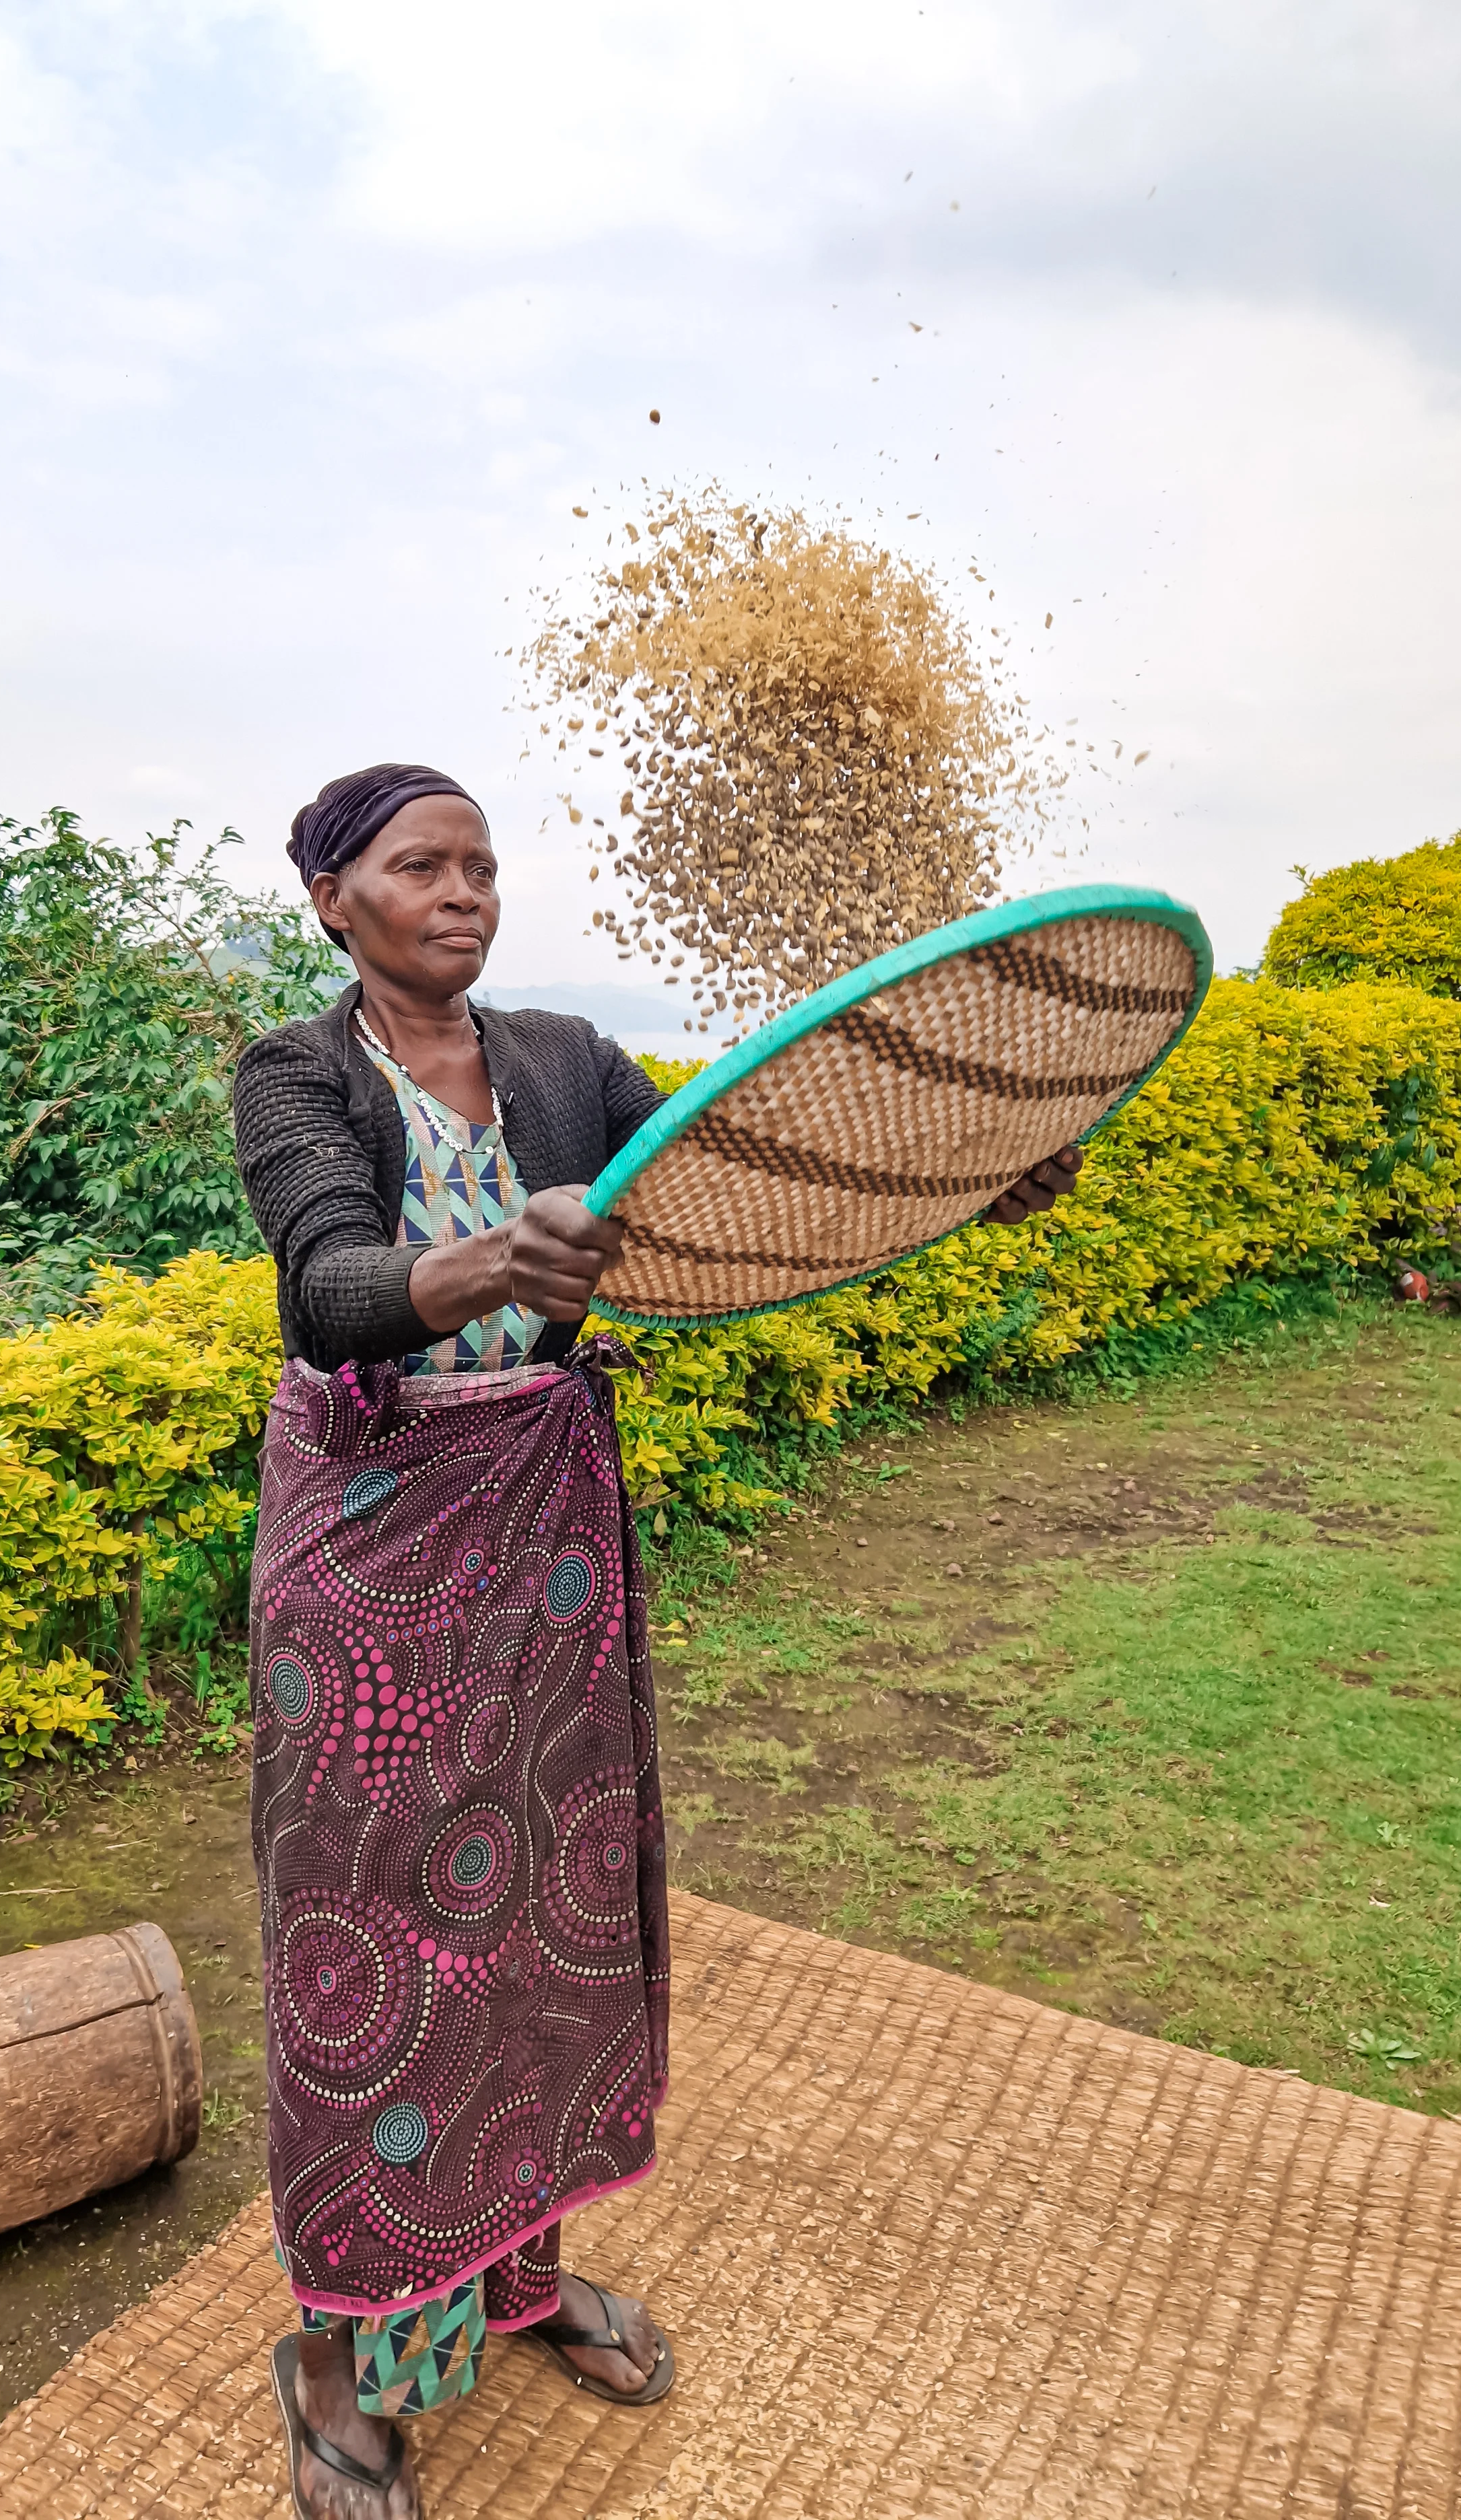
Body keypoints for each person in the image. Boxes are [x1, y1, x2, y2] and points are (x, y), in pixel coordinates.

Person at [234, 764, 1081, 2520]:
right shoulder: (298, 1075)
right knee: (376, 1945)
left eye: (481, 865)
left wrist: (958, 1177)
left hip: (538, 1555)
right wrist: (482, 1265)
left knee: (545, 1920)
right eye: (420, 867)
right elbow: (326, 1283)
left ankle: (516, 2285)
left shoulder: (561, 1062)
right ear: (333, 898)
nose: (463, 893)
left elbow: (743, 1182)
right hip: (376, 1570)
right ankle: (352, 2352)